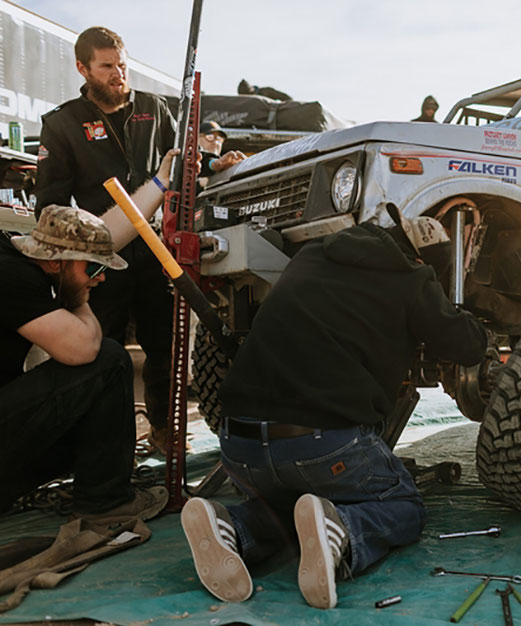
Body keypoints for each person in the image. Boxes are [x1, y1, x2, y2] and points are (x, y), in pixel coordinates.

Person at [181, 206, 487, 607]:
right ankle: (343, 527)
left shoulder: (313, 254)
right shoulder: (412, 278)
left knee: (290, 508)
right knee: (404, 504)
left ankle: (232, 527)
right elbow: (467, 345)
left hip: (239, 447)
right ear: (422, 259)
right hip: (321, 446)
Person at [34, 26, 177, 452]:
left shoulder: (156, 109)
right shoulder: (61, 123)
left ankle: (166, 434)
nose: (118, 75)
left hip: (157, 252)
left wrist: (214, 163)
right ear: (83, 68)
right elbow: (50, 203)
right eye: (107, 67)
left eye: (122, 65)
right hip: (100, 256)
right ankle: (102, 443)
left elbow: (186, 171)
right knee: (103, 352)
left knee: (164, 346)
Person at [0, 175, 175, 520]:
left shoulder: (21, 254)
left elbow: (103, 237)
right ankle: (106, 504)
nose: (101, 278)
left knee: (83, 433)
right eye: (94, 268)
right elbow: (85, 349)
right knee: (110, 361)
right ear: (54, 262)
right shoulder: (13, 277)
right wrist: (78, 297)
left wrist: (161, 182)